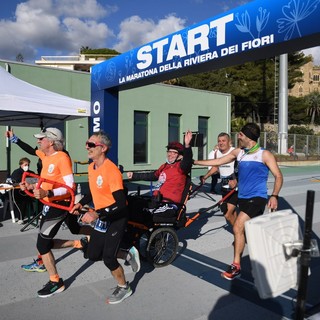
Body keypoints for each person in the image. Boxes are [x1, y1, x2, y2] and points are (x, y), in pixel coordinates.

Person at [194, 123, 283, 280]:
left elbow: (278, 176)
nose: (238, 137)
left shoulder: (264, 154)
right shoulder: (239, 153)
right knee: (254, 231)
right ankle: (272, 255)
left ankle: (236, 266)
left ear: (248, 136)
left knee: (238, 226)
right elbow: (218, 162)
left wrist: (274, 195)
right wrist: (194, 162)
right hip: (243, 198)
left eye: (241, 134)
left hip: (257, 198)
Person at [70, 131, 134, 304]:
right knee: (92, 255)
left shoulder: (111, 170)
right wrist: (80, 203)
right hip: (103, 217)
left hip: (117, 218)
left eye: (91, 145)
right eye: (87, 144)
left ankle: (124, 287)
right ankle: (126, 253)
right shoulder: (92, 167)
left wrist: (97, 213)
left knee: (108, 258)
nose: (87, 147)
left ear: (103, 148)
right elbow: (93, 191)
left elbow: (121, 203)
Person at [19, 127, 80, 297]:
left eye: (41, 139)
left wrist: (49, 193)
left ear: (51, 141)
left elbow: (70, 188)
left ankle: (56, 281)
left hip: (59, 204)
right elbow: (46, 182)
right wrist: (31, 186)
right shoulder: (46, 157)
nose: (38, 141)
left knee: (42, 244)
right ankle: (79, 244)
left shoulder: (62, 158)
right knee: (45, 242)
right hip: (48, 204)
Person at [126, 130, 193, 218]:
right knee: (130, 204)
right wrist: (134, 175)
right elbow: (153, 175)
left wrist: (187, 146)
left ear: (180, 156)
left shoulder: (181, 167)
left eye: (174, 153)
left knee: (148, 214)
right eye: (169, 152)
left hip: (169, 204)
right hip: (157, 200)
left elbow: (187, 160)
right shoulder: (164, 166)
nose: (170, 154)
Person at [200, 133, 238, 226]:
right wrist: (205, 176)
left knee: (228, 214)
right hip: (224, 186)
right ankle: (240, 232)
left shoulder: (235, 152)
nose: (221, 143)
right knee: (230, 212)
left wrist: (236, 179)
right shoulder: (217, 153)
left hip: (235, 187)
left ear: (229, 142)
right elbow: (216, 167)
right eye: (219, 141)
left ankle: (238, 232)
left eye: (223, 141)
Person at [10, 157, 35, 223]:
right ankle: (21, 218)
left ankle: (37, 215)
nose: (27, 166)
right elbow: (14, 182)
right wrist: (21, 183)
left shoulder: (30, 172)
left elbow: (36, 180)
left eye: (28, 165)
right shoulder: (16, 172)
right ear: (21, 165)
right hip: (19, 192)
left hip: (30, 191)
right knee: (22, 201)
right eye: (25, 165)